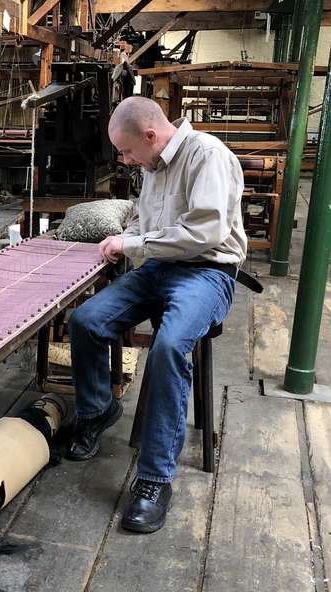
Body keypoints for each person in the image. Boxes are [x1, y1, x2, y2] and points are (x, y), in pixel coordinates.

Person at [67, 96, 247, 533]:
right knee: (86, 321)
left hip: (207, 272)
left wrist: (133, 245)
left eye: (127, 151)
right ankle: (96, 412)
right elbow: (144, 223)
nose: (126, 161)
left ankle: (153, 480)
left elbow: (202, 235)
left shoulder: (207, 156)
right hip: (158, 267)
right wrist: (123, 237)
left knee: (168, 346)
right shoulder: (152, 166)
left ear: (151, 136)